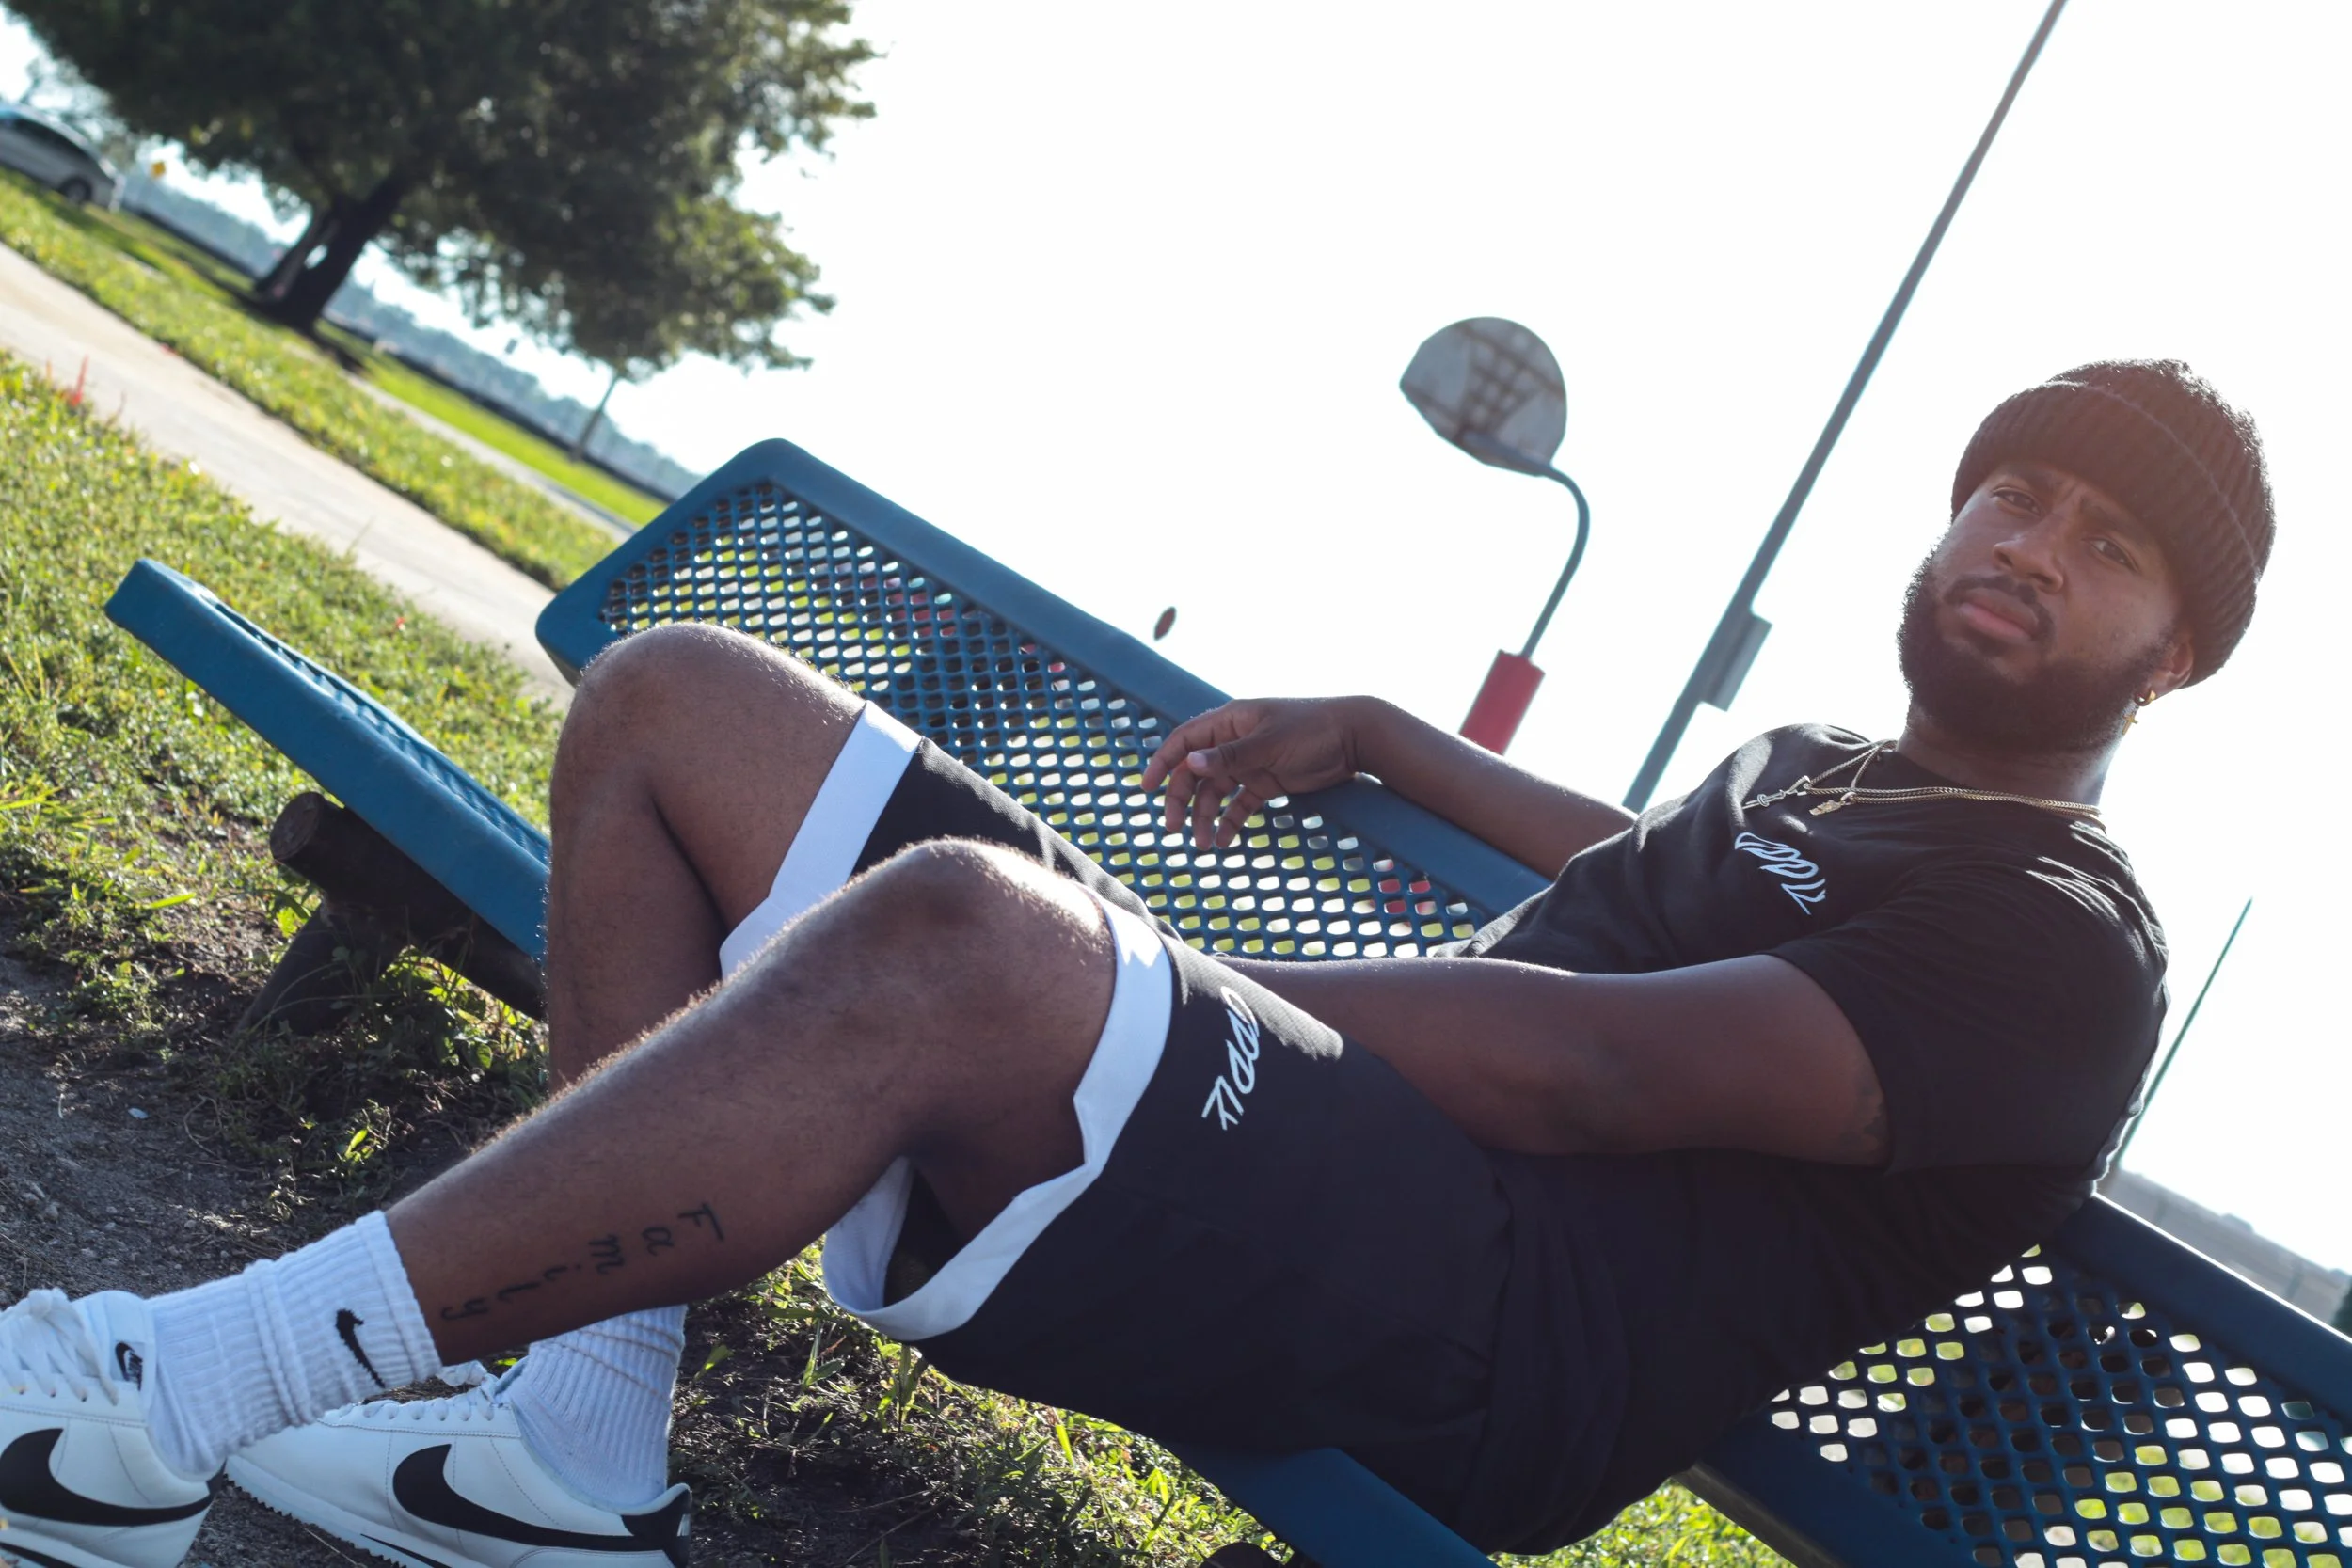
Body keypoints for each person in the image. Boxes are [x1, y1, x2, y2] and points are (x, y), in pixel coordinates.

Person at [0, 360, 2273, 1568]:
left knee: (984, 942)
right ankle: (571, 1448)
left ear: (2165, 656)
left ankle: (147, 1406)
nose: (2025, 550)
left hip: (1497, 1334)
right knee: (680, 696)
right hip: (1360, 1168)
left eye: (2100, 551)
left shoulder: (2055, 947)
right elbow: (1651, 865)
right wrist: (1383, 733)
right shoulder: (1830, 781)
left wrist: (1127, 982)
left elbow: (1595, 1072)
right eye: (2010, 496)